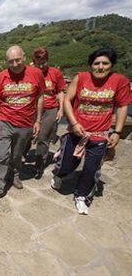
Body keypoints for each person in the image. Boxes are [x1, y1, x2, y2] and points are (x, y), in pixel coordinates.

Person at [51, 47, 131, 215]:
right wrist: (73, 123)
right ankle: (60, 174)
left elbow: (123, 106)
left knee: (91, 169)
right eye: (96, 63)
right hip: (77, 131)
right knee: (67, 163)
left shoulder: (119, 81)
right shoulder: (81, 78)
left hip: (100, 134)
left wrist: (116, 132)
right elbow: (67, 100)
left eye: (105, 63)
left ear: (111, 65)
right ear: (91, 65)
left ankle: (82, 195)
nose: (100, 67)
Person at [0, 45, 45, 204]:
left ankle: (15, 175)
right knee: (2, 155)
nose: (14, 64)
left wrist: (38, 120)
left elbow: (40, 97)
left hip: (26, 122)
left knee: (17, 154)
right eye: (10, 61)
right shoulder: (2, 77)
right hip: (5, 121)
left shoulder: (36, 74)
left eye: (17, 60)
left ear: (24, 57)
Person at [30, 47, 66, 179]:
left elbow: (61, 92)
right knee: (27, 135)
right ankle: (22, 154)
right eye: (38, 63)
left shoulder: (55, 73)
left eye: (43, 62)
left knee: (43, 138)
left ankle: (39, 166)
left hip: (50, 108)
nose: (41, 66)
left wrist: (61, 109)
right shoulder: (30, 72)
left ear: (47, 60)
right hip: (32, 109)